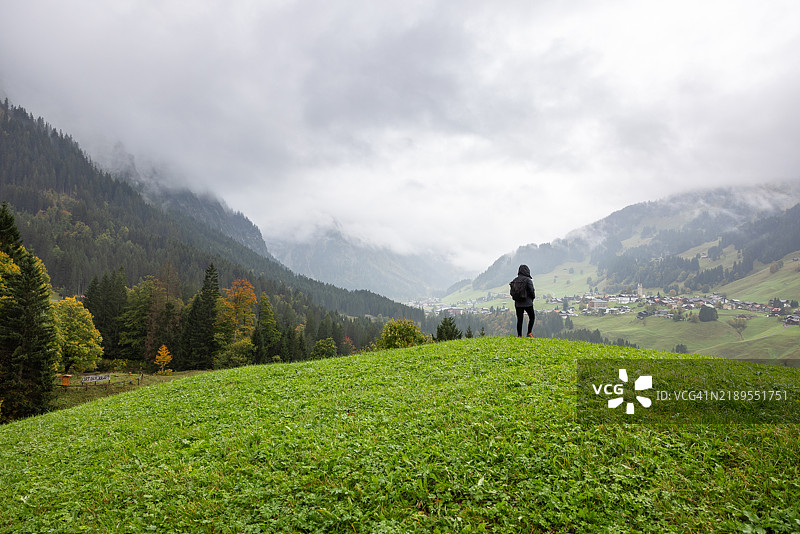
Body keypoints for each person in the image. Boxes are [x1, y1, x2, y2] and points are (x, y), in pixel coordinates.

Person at [511, 264, 536, 337]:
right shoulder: (528, 280)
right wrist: (532, 298)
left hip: (518, 303)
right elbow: (531, 291)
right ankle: (529, 333)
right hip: (528, 302)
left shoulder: (514, 280)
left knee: (519, 319)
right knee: (532, 317)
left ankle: (519, 335)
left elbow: (512, 292)